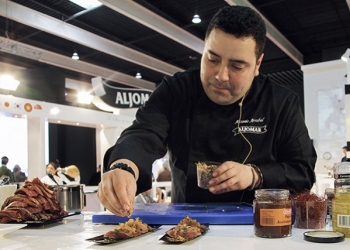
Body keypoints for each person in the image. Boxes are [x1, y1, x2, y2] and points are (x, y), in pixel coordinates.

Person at [98, 6, 317, 216]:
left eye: (237, 66)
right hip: (186, 224)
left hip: (260, 226)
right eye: (212, 59)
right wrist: (124, 167)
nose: (221, 75)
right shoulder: (176, 91)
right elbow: (144, 134)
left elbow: (302, 172)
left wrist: (254, 175)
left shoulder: (280, 103)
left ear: (257, 64)